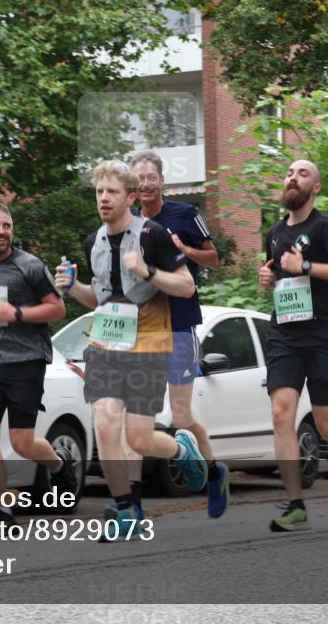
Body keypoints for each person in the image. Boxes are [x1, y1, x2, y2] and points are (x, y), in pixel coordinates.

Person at [55, 160, 207, 539]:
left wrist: (147, 272)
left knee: (139, 439)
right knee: (105, 423)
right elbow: (100, 299)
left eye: (112, 192)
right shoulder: (95, 242)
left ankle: (180, 448)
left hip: (150, 340)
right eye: (99, 192)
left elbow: (186, 286)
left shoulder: (153, 235)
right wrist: (72, 287)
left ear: (131, 197)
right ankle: (126, 509)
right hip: (106, 340)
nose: (104, 199)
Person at [258, 159, 328, 532]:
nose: (293, 177)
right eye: (289, 172)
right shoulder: (274, 232)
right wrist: (267, 277)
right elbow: (277, 274)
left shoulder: (326, 227)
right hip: (285, 335)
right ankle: (295, 504)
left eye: (302, 174)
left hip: (324, 336)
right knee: (281, 413)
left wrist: (306, 267)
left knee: (326, 425)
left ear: (316, 188)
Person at [0, 203, 77, 527]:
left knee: (21, 443)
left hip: (27, 362)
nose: (2, 231)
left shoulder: (29, 266)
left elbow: (57, 309)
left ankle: (59, 464)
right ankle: (1, 510)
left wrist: (17, 314)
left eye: (6, 225)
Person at [129, 150, 228, 518]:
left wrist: (182, 248)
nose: (145, 183)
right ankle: (133, 504)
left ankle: (215, 472)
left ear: (162, 181)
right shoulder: (131, 223)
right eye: (139, 178)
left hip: (181, 323)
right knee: (138, 415)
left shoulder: (184, 214)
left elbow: (214, 258)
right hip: (144, 327)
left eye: (151, 177)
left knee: (182, 417)